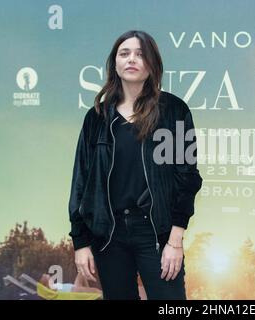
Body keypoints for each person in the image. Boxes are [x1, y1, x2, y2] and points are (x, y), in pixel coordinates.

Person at [68, 30, 203, 300]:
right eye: (124, 53)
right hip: (109, 235)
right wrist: (81, 242)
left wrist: (174, 241)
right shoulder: (96, 117)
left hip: (156, 232)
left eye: (140, 54)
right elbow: (81, 182)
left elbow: (187, 177)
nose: (132, 59)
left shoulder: (173, 110)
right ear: (115, 63)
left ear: (152, 64)